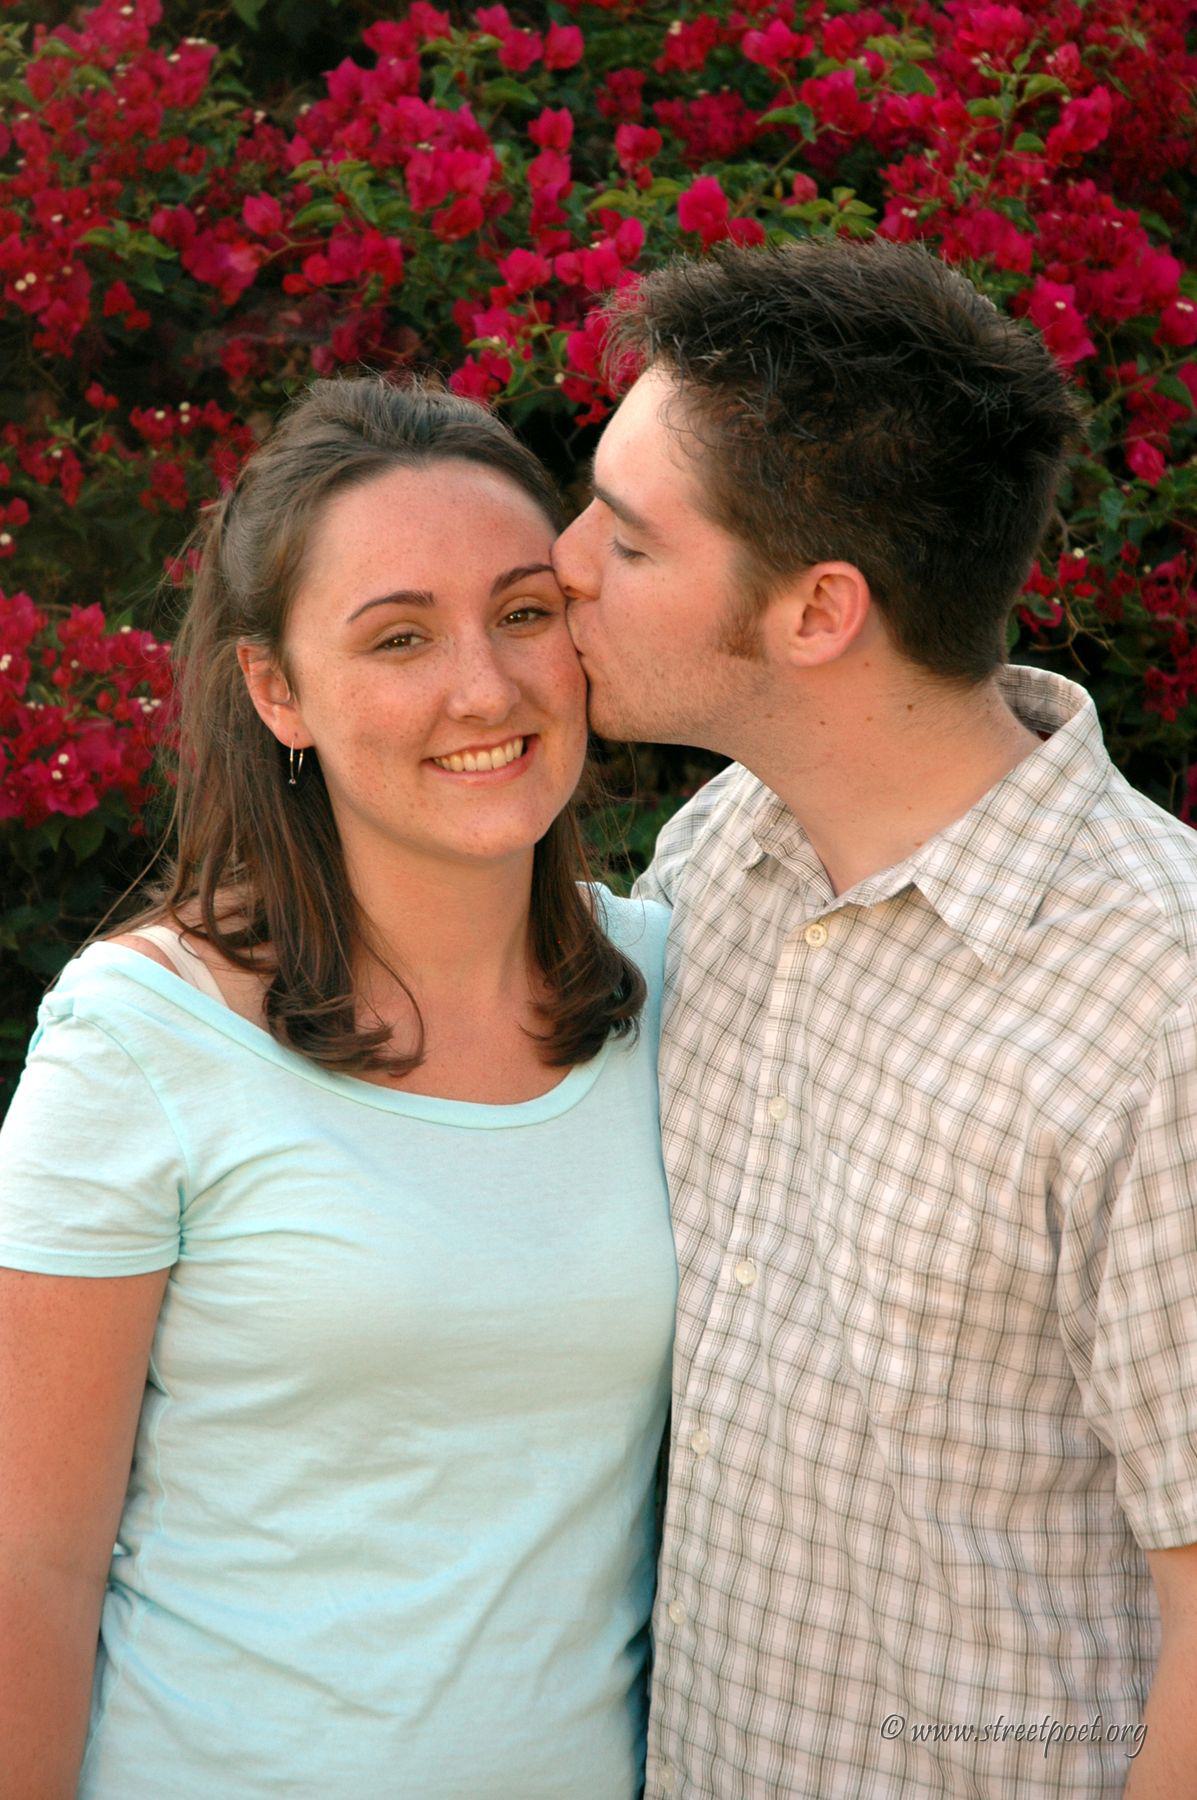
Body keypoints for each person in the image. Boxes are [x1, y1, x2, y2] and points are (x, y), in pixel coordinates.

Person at [552, 238, 1197, 1797]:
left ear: (817, 611)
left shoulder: (1157, 1004)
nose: (561, 563)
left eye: (627, 540)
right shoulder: (724, 853)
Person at [0, 376, 677, 1799]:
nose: (483, 688)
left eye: (523, 613)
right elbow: (30, 1563)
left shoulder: (683, 990)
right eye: (399, 638)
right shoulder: (142, 1039)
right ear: (277, 693)